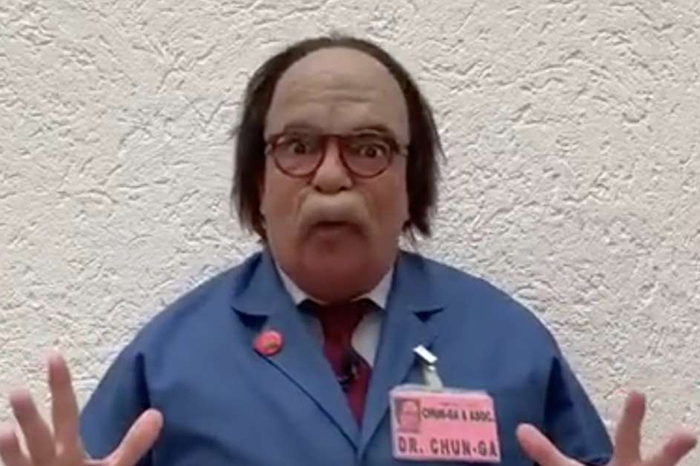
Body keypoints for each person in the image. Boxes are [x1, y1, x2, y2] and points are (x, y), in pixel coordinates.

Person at [0, 35, 696, 466]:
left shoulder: (510, 343)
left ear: (411, 186)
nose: (331, 176)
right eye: (298, 146)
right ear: (257, 183)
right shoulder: (169, 359)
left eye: (368, 148)